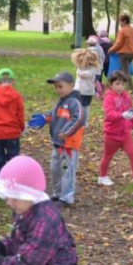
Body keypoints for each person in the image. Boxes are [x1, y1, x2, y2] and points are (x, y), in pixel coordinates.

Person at [30, 72, 84, 207]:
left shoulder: (74, 102)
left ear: (71, 86)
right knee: (55, 169)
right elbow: (54, 115)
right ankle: (58, 193)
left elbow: (79, 118)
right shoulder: (62, 101)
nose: (58, 90)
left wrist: (67, 131)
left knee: (67, 170)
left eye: (61, 86)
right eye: (56, 87)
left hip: (69, 144)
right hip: (57, 143)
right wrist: (44, 117)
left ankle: (67, 197)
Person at [98, 71, 133, 186]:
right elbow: (109, 114)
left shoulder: (127, 97)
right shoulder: (108, 98)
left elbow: (132, 112)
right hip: (112, 134)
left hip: (125, 133)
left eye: (123, 84)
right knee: (108, 156)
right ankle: (102, 176)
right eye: (117, 84)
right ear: (111, 84)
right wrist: (121, 115)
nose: (120, 87)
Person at [108, 13, 133, 91]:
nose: (120, 24)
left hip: (124, 53)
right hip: (132, 53)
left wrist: (111, 50)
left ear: (124, 21)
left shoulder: (122, 31)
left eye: (120, 22)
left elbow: (118, 43)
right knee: (122, 70)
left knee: (125, 71)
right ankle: (118, 84)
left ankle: (132, 88)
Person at [71, 48, 100, 124]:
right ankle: (77, 119)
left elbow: (86, 74)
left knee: (84, 106)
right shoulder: (80, 68)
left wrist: (80, 72)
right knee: (77, 105)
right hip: (78, 90)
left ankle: (84, 122)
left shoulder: (93, 69)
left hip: (87, 91)